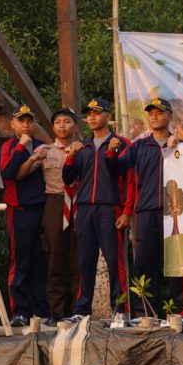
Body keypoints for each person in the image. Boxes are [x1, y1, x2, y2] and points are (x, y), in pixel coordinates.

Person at [64, 97, 131, 319]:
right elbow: (68, 178)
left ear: (108, 115)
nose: (92, 117)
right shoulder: (82, 146)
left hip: (109, 208)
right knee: (85, 261)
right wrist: (71, 158)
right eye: (89, 114)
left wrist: (126, 211)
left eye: (97, 113)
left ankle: (119, 309)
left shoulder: (120, 142)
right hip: (84, 208)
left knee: (114, 260)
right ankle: (82, 310)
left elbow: (125, 175)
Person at [111, 97, 180, 315]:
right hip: (146, 212)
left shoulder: (182, 146)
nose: (154, 116)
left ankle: (178, 312)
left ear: (169, 116)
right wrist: (111, 153)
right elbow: (117, 168)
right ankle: (145, 313)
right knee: (144, 265)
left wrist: (180, 147)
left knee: (178, 265)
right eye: (151, 113)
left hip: (176, 214)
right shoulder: (139, 146)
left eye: (159, 112)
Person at [0, 105, 50, 326]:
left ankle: (41, 311)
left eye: (29, 120)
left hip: (43, 209)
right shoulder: (10, 145)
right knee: (20, 261)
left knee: (40, 262)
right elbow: (8, 173)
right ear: (13, 124)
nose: (26, 124)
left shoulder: (42, 146)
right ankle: (20, 311)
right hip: (19, 210)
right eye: (21, 121)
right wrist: (22, 147)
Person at [36, 108, 82, 322]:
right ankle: (56, 311)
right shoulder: (45, 151)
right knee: (55, 256)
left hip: (79, 204)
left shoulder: (83, 149)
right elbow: (20, 173)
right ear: (52, 127)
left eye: (67, 122)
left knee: (77, 257)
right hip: (55, 202)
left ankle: (78, 309)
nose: (62, 126)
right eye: (58, 122)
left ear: (75, 126)